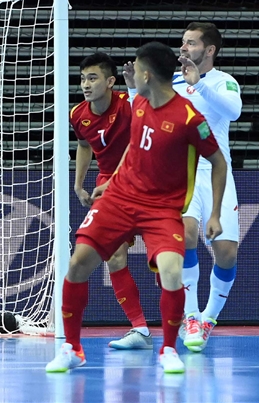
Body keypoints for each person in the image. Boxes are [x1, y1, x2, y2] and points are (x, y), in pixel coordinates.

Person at [46, 42, 227, 375]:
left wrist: (214, 213)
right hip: (120, 197)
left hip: (162, 207)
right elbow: (132, 148)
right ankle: (71, 348)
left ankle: (169, 349)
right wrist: (110, 180)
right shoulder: (139, 101)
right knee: (77, 264)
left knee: (172, 271)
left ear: (147, 74)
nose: (132, 74)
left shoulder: (189, 118)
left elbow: (219, 162)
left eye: (136, 70)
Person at [70, 52, 151, 350]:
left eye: (92, 78)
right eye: (82, 79)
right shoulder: (78, 114)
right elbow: (83, 146)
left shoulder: (128, 104)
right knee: (114, 257)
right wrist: (79, 184)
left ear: (110, 81)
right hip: (108, 185)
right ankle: (140, 330)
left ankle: (187, 318)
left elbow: (140, 139)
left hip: (144, 180)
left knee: (165, 255)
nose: (86, 84)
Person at [176, 22, 242, 352]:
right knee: (186, 233)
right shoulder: (171, 82)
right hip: (182, 172)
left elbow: (234, 111)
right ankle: (189, 316)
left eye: (191, 43)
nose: (184, 48)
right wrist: (132, 91)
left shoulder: (224, 82)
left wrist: (199, 85)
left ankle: (207, 319)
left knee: (227, 254)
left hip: (218, 171)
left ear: (209, 50)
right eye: (183, 42)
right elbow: (141, 112)